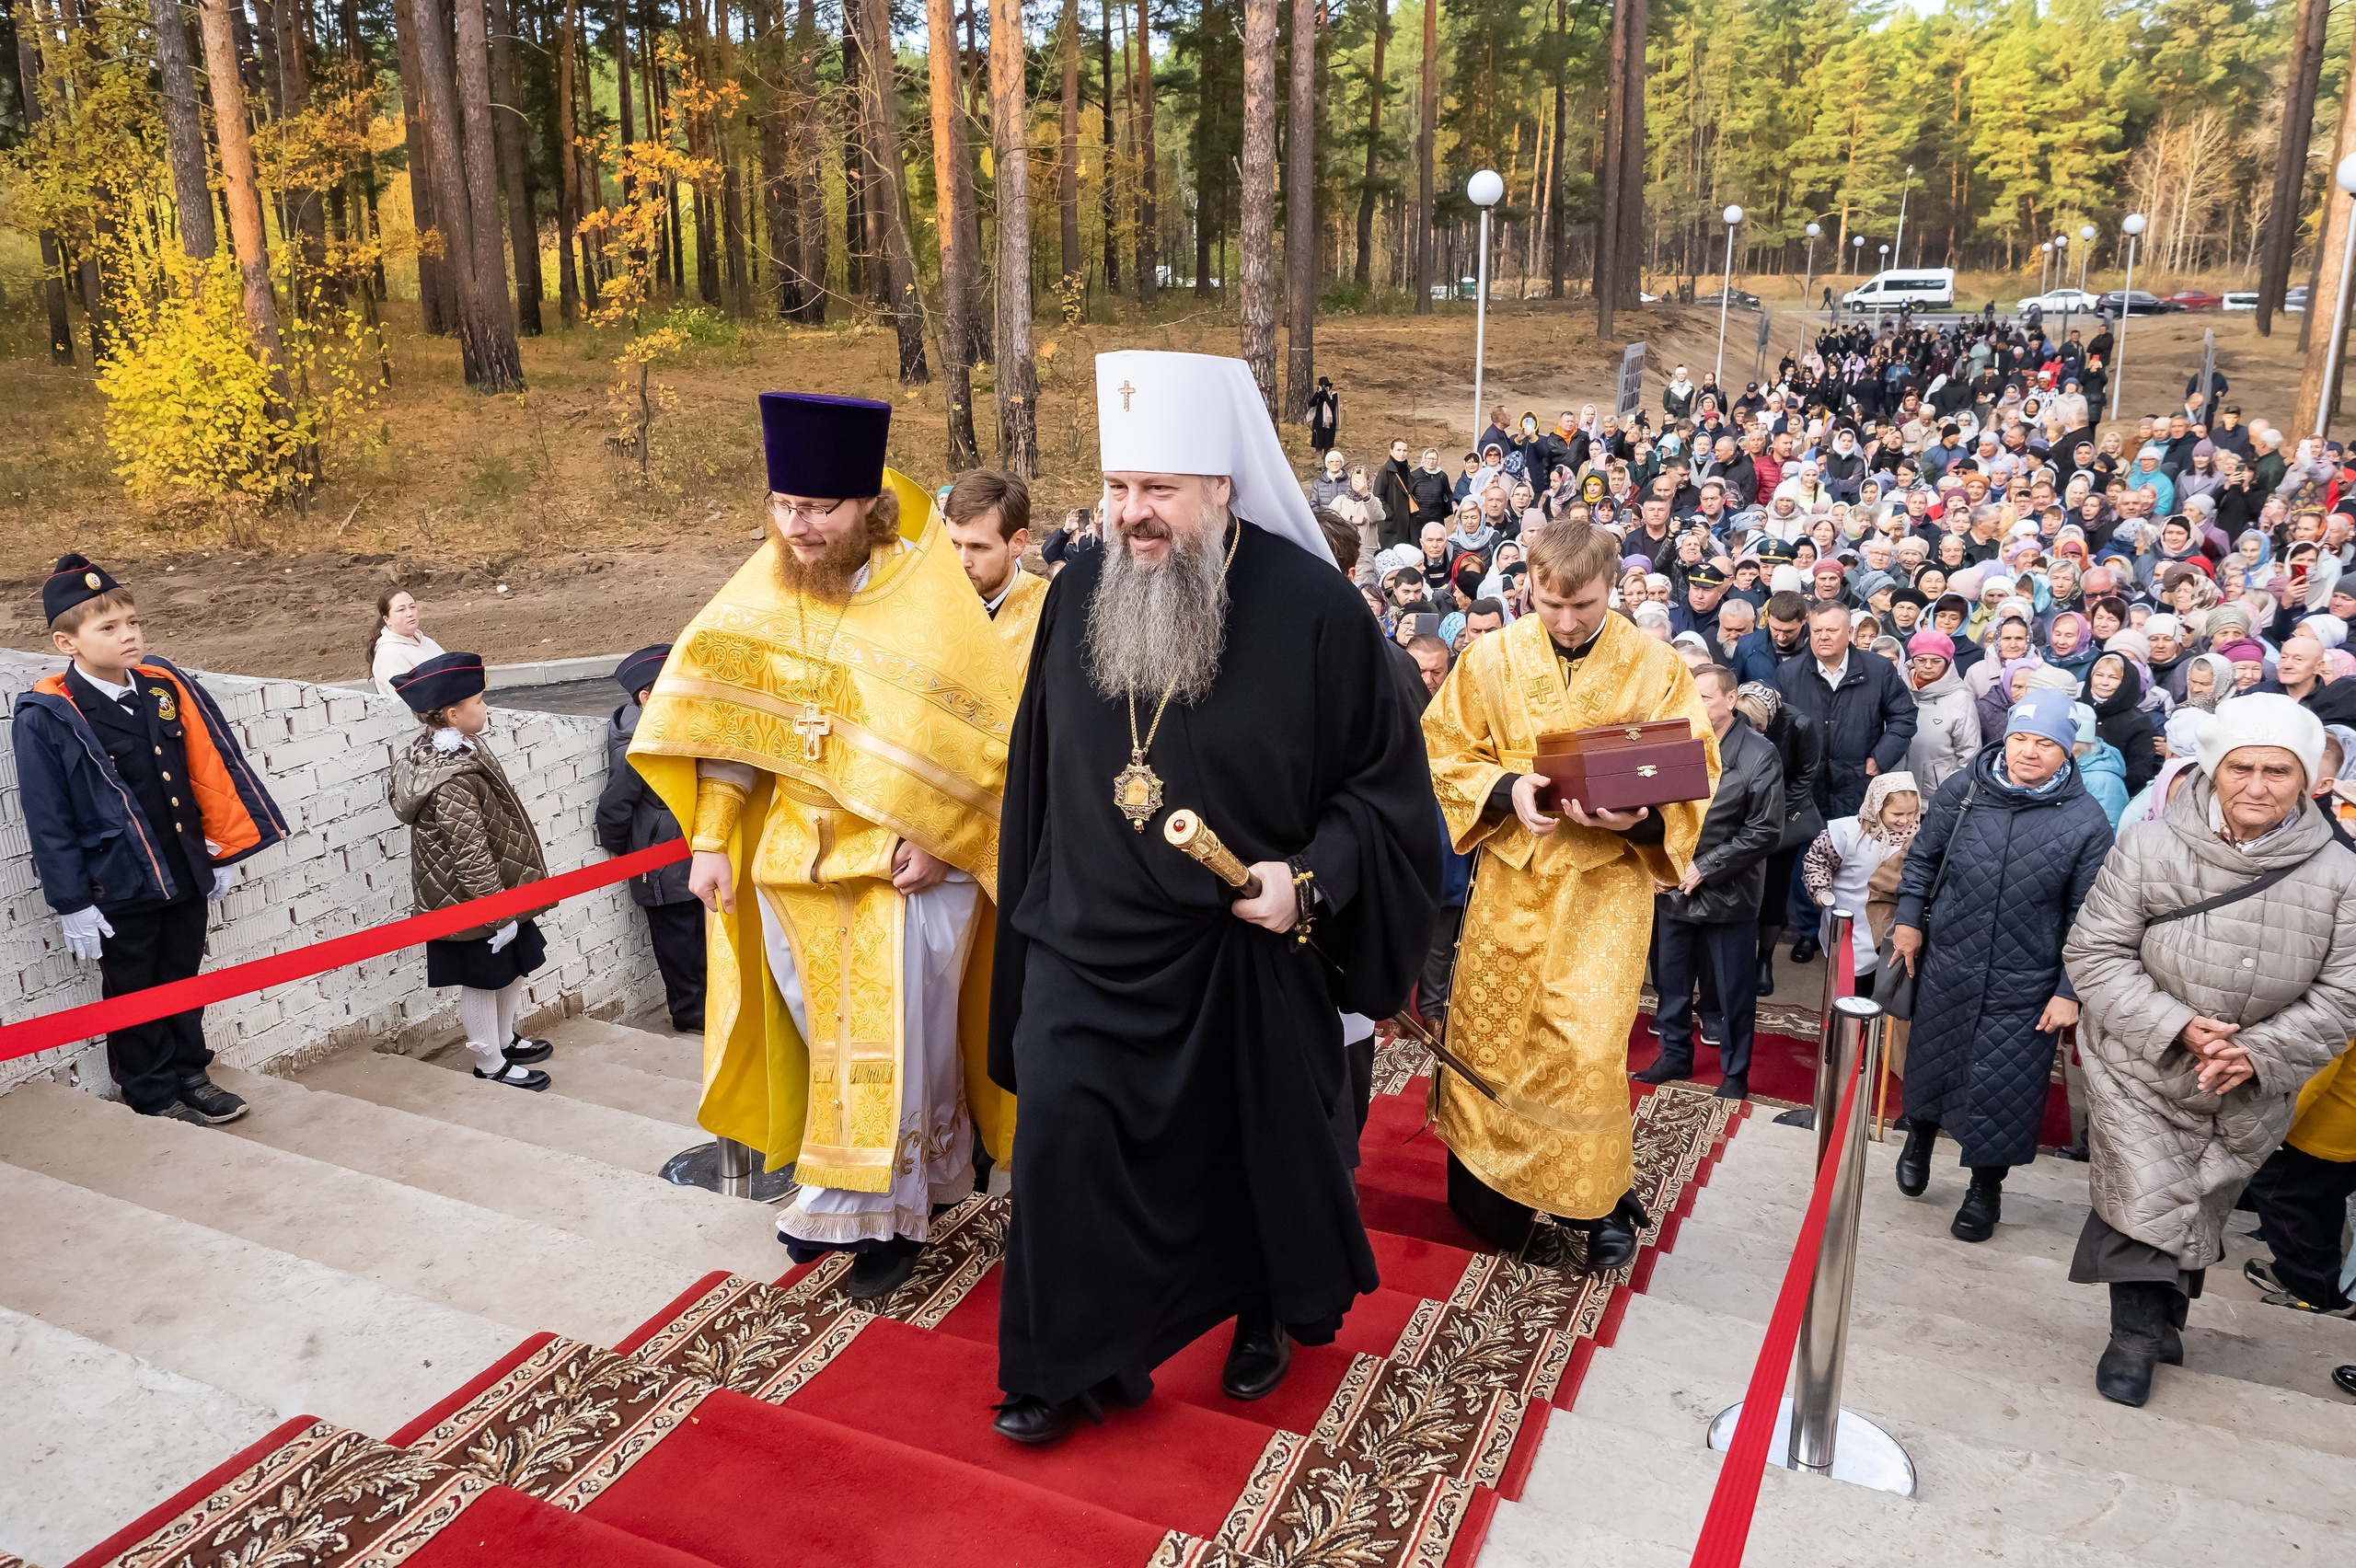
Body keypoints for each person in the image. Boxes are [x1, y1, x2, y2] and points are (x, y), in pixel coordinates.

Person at [986, 351, 1439, 1443]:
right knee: (1060, 1148)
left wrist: (1307, 880)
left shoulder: (1314, 613)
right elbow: (1040, 771)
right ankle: (1062, 1363)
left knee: (1245, 1155)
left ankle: (1256, 1316)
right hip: (1085, 944)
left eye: (1160, 492)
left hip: (1235, 950)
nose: (1131, 516)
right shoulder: (1078, 594)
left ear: (1221, 488)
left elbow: (1384, 797)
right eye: (1118, 488)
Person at [629, 392, 1017, 1304]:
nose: (797, 528)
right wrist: (712, 838)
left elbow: (988, 749)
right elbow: (726, 725)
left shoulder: (926, 603)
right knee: (824, 1042)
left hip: (903, 872)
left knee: (901, 1049)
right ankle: (841, 1195)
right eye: (784, 506)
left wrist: (950, 850)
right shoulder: (763, 587)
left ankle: (892, 1218)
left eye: (819, 510)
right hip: (790, 867)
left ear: (866, 508)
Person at [1424, 521, 1718, 1262]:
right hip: (1512, 884)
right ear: (1528, 585)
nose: (1564, 619)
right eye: (1549, 602)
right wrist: (1504, 786)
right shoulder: (1489, 657)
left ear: (1611, 587)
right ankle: (1493, 1195)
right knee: (1495, 1038)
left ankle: (1590, 1203)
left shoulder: (1655, 667)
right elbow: (1443, 745)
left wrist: (1641, 819)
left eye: (1582, 603)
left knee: (1583, 1050)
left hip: (1603, 892)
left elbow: (1695, 767)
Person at [2064, 695, 2356, 1404]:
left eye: (2278, 771)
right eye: (2242, 768)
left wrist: (2258, 1053)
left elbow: (2344, 994)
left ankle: (2166, 1316)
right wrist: (2177, 1026)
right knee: (2143, 1190)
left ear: (2308, 780)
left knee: (2200, 1201)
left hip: (2249, 1083)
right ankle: (2133, 1336)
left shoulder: (2342, 872)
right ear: (2214, 769)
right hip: (2142, 1061)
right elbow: (2095, 951)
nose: (2257, 786)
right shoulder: (2151, 844)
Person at [14, 555, 287, 1126]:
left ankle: (191, 1072)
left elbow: (200, 773)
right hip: (117, 881)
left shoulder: (160, 688)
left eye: (132, 622)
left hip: (184, 866)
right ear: (68, 643)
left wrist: (221, 849)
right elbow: (49, 817)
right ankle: (151, 1091)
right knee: (134, 989)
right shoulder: (49, 715)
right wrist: (72, 902)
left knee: (181, 975)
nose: (128, 635)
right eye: (107, 628)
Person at [1888, 688, 2115, 1243]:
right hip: (1950, 958)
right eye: (2019, 738)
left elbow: (2089, 916)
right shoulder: (1967, 790)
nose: (2028, 752)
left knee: (2004, 1087)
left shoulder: (2087, 821)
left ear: (2069, 752)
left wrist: (2069, 989)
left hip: (2027, 978)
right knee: (1931, 1062)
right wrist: (1910, 918)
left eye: (2045, 743)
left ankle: (1984, 1190)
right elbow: (1924, 857)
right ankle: (1919, 1135)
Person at [389, 652, 560, 1091]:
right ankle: (489, 1060)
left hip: (497, 891)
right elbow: (470, 853)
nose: (486, 708)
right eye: (479, 701)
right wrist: (497, 913)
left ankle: (503, 1039)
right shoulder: (449, 776)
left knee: (511, 967)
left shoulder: (460, 747)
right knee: (483, 979)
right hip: (472, 897)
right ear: (452, 713)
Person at [1636, 664, 1783, 1101]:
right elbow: (1653, 808)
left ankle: (1735, 1073)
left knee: (1732, 991)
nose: (1696, 704)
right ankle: (1674, 1054)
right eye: (1691, 696)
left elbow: (1764, 830)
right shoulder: (1676, 744)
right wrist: (1657, 862)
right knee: (1671, 982)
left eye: (1705, 697)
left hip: (1728, 892)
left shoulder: (1760, 753)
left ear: (1730, 700)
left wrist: (1706, 867)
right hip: (1672, 886)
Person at [1775, 599, 1920, 956]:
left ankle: (1857, 935)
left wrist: (1879, 759)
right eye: (1817, 630)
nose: (1823, 637)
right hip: (1806, 788)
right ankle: (1809, 931)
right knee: (1810, 857)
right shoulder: (1790, 673)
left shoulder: (1877, 670)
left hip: (1858, 782)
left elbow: (1903, 718)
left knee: (1855, 858)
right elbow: (1779, 729)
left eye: (1831, 630)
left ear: (1850, 633)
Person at [595, 644, 704, 1033]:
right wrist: (634, 852)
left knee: (696, 937)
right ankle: (691, 1013)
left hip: (685, 860)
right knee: (679, 944)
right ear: (646, 697)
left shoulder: (667, 729)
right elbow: (613, 808)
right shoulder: (636, 747)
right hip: (658, 866)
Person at [1801, 771, 1923, 1002]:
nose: (1904, 820)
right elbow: (1817, 860)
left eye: (1911, 813)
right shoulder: (1846, 833)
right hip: (1850, 925)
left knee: (1884, 985)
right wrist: (1820, 890)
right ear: (1876, 807)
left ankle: (1872, 1032)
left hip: (1890, 926)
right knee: (1850, 986)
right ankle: (1846, 1030)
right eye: (1897, 813)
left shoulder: (1917, 840)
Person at [944, 469, 1049, 676]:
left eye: (979, 547)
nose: (962, 561)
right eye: (954, 544)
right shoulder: (932, 605)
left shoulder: (1049, 613)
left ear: (1017, 543)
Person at [1902, 629, 1981, 791]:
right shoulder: (1898, 690)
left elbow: (1969, 755)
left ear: (1947, 662)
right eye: (1921, 660)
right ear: (1912, 660)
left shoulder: (1960, 700)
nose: (1928, 666)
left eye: (1936, 661)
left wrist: (1950, 791)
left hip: (1935, 796)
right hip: (1897, 792)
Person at [368, 588, 445, 699]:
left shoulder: (427, 642)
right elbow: (406, 702)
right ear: (387, 619)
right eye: (401, 610)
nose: (410, 614)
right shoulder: (390, 654)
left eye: (412, 607)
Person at [1308, 375, 1340, 452]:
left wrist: (1325, 395)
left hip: (1330, 424)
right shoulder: (1319, 395)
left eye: (1326, 386)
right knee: (1318, 445)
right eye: (1323, 386)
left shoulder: (1334, 395)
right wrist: (1317, 394)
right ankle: (1318, 461)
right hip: (1319, 423)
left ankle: (1326, 461)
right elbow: (1311, 404)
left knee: (1327, 446)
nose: (1325, 388)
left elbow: (1332, 405)